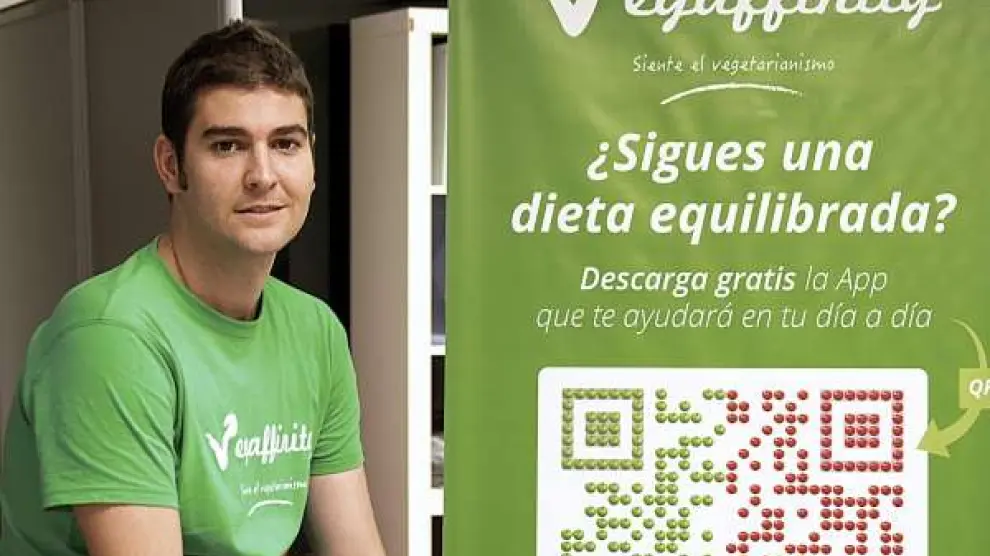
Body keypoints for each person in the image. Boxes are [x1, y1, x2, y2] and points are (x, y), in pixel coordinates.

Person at [0, 20, 386, 556]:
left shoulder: (314, 331)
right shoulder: (111, 335)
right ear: (170, 165)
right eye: (228, 146)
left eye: (286, 144)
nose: (263, 175)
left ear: (312, 161)